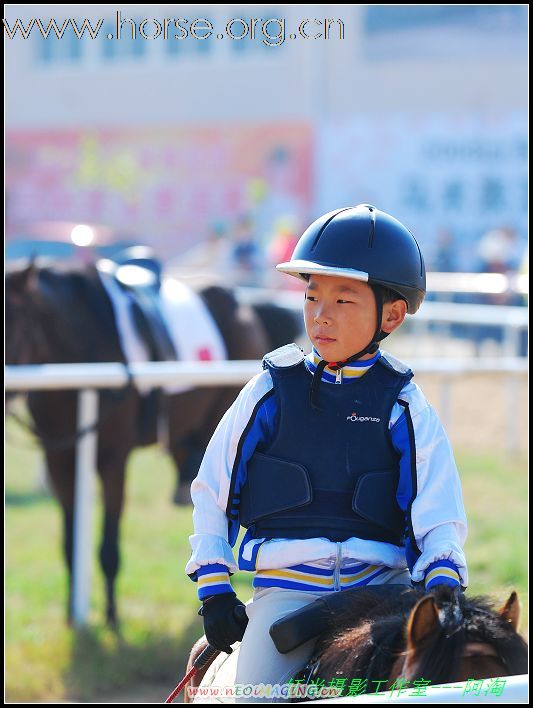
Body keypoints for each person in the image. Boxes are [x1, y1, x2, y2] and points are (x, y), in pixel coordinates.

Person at [185, 204, 468, 700]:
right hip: (287, 597)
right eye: (312, 296)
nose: (321, 314)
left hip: (385, 595)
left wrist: (443, 576)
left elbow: (438, 508)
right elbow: (212, 490)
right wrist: (214, 587)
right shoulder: (268, 392)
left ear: (392, 315)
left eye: (343, 300)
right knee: (255, 696)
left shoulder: (406, 405)